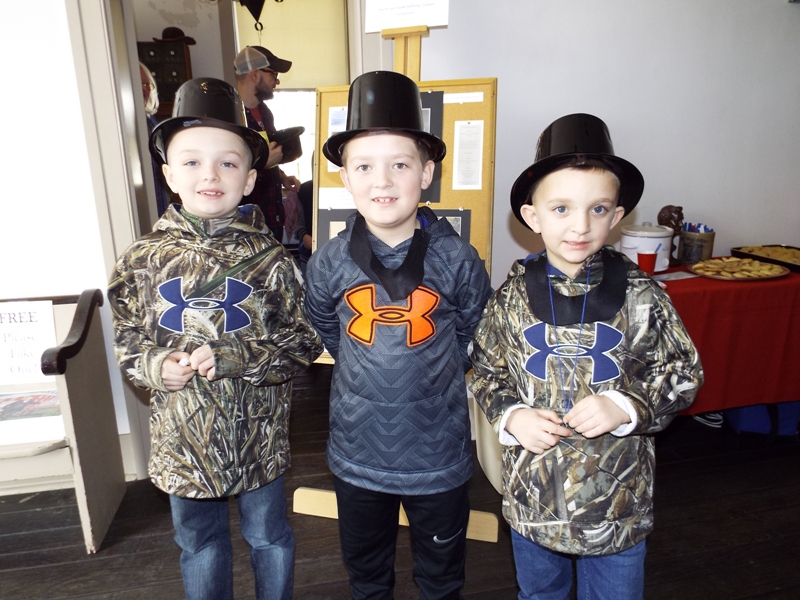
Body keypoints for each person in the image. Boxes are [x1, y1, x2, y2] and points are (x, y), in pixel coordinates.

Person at [469, 113, 704, 600]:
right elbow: (486, 370)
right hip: (534, 497)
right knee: (540, 594)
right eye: (561, 208)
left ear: (617, 217)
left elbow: (682, 372)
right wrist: (512, 416)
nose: (580, 226)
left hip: (617, 503)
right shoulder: (511, 298)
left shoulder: (643, 296)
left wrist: (626, 406)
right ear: (532, 216)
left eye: (598, 209)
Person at [107, 77, 323, 600]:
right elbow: (126, 336)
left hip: (257, 438)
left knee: (268, 537)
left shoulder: (272, 261)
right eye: (192, 161)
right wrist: (154, 364)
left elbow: (303, 341)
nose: (210, 174)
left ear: (249, 179)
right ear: (168, 175)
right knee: (199, 544)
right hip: (184, 440)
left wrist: (237, 355)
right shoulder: (141, 260)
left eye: (228, 163)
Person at [304, 71, 493, 599]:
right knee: (366, 574)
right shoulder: (329, 262)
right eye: (364, 166)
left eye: (400, 165)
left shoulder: (457, 258)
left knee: (441, 576)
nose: (382, 181)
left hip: (437, 455)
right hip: (358, 452)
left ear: (427, 173)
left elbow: (476, 331)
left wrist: (433, 372)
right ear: (345, 176)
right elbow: (326, 326)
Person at [233, 45, 301, 241]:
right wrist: (263, 163)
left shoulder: (265, 113)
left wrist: (282, 177)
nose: (277, 81)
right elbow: (227, 171)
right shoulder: (230, 116)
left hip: (272, 219)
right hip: (246, 228)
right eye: (273, 74)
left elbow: (265, 152)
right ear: (255, 75)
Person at [139, 62, 171, 215]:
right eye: (139, 83)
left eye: (147, 84)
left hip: (160, 203)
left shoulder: (152, 123)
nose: (143, 88)